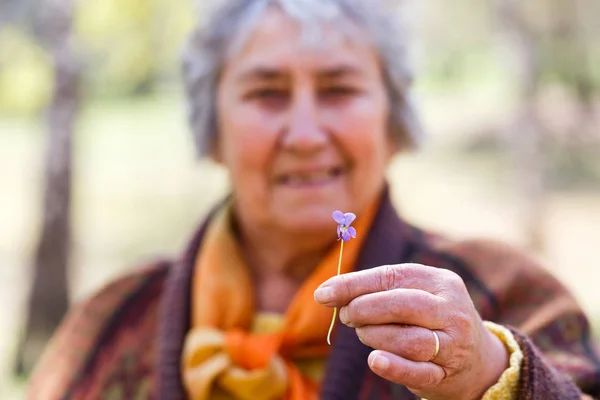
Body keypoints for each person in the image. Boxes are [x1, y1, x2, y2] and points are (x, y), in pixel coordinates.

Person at [29, 0, 600, 399]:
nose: (305, 133)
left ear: (393, 124)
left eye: (339, 89)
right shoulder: (114, 319)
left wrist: (487, 375)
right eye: (267, 92)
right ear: (212, 131)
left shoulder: (504, 296)